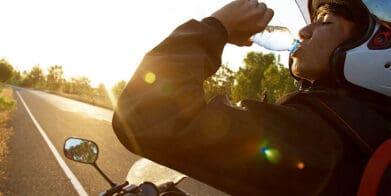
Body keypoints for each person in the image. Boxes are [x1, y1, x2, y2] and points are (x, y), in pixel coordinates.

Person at [112, 0, 391, 195]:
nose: (303, 31)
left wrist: (216, 26)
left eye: (325, 22)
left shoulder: (322, 139)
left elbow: (148, 115)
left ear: (379, 42)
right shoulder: (365, 130)